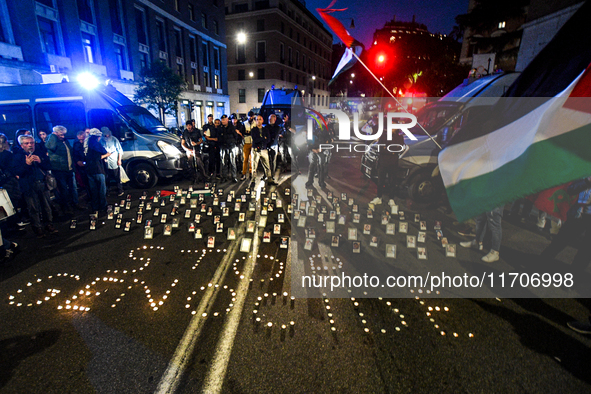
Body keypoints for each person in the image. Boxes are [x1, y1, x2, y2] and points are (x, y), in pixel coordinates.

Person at [541, 177, 591, 273]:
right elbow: (571, 189)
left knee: (586, 250)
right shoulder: (586, 170)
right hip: (578, 214)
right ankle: (540, 265)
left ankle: (573, 278)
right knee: (560, 241)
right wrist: (587, 181)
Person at [11, 135, 58, 237]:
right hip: (29, 185)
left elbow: (49, 165)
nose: (30, 145)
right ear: (21, 145)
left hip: (42, 182)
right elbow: (17, 172)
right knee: (33, 208)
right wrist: (26, 164)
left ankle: (49, 224)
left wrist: (41, 161)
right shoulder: (17, 156)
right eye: (27, 143)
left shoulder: (39, 153)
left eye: (32, 143)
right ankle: (37, 227)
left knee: (46, 206)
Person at [369, 119, 405, 210]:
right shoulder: (384, 135)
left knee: (392, 181)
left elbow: (400, 149)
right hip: (383, 161)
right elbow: (381, 148)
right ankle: (379, 197)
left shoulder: (400, 137)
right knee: (380, 180)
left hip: (393, 162)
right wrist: (391, 149)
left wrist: (388, 149)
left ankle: (391, 198)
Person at [45, 125, 79, 214]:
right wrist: (53, 135)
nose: (63, 136)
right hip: (59, 169)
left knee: (72, 188)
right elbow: (50, 146)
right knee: (63, 189)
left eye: (64, 134)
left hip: (69, 169)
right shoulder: (52, 140)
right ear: (55, 133)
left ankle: (74, 204)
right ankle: (66, 207)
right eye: (61, 134)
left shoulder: (65, 141)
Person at [84, 128, 111, 215]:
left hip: (89, 170)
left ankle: (95, 207)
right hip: (98, 169)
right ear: (97, 136)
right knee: (101, 189)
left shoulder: (86, 143)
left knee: (93, 189)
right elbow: (102, 152)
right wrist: (107, 154)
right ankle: (103, 206)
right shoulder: (95, 144)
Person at [250, 114, 277, 186]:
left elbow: (268, 139)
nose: (258, 121)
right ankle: (253, 180)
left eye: (260, 119)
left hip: (264, 149)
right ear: (255, 121)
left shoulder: (265, 129)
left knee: (267, 166)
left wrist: (262, 139)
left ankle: (270, 179)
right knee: (254, 166)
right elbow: (255, 139)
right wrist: (263, 138)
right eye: (257, 119)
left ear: (262, 120)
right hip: (256, 150)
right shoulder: (253, 130)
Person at [180, 119, 207, 183]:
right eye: (187, 126)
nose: (188, 127)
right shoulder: (185, 132)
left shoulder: (197, 131)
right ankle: (193, 177)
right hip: (189, 151)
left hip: (196, 150)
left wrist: (196, 143)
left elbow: (201, 140)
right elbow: (182, 143)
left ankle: (203, 176)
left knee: (199, 162)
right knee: (190, 164)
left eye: (190, 125)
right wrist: (188, 150)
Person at [100, 127, 124, 196]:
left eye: (108, 134)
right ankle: (107, 191)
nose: (107, 136)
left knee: (117, 177)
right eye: (105, 135)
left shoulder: (114, 139)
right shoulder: (101, 140)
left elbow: (120, 151)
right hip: (105, 162)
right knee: (107, 178)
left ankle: (120, 190)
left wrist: (119, 160)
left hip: (114, 161)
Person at [218, 114, 239, 182]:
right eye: (222, 120)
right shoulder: (220, 128)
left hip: (231, 146)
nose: (223, 121)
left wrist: (233, 143)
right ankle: (224, 177)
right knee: (224, 163)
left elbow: (235, 136)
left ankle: (234, 177)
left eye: (224, 120)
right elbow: (219, 137)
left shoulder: (231, 127)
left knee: (233, 162)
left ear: (227, 120)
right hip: (223, 147)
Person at [241, 111, 255, 180]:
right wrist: (249, 133)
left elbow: (254, 133)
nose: (250, 117)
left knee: (252, 160)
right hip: (246, 143)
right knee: (245, 159)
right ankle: (243, 174)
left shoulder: (255, 123)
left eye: (251, 116)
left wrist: (248, 133)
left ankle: (251, 173)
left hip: (253, 143)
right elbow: (243, 133)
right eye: (249, 116)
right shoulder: (244, 123)